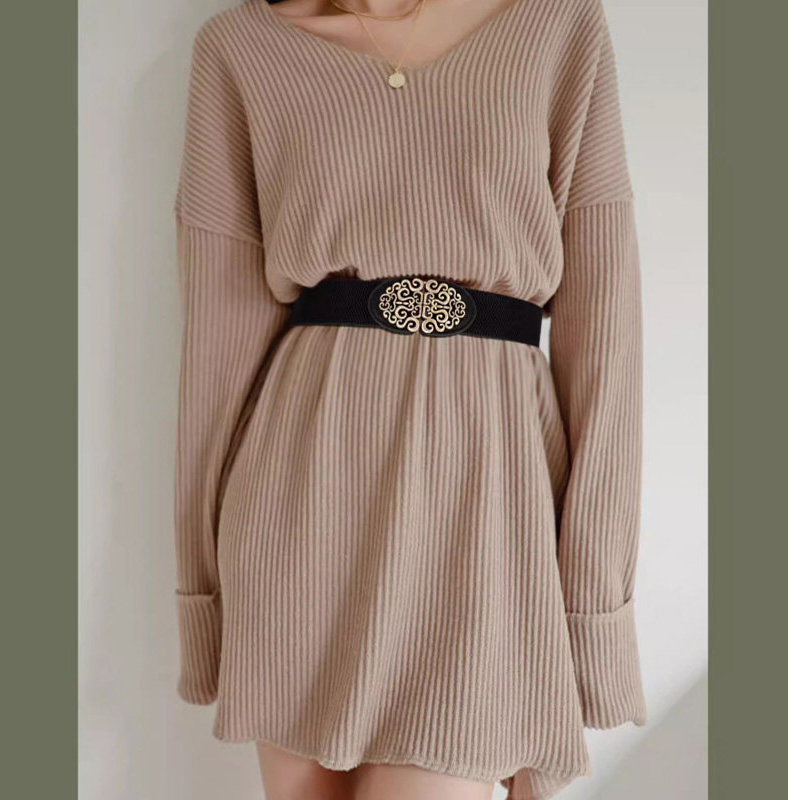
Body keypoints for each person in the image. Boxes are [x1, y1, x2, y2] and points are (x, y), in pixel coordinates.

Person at [172, 0, 647, 797]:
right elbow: (215, 344)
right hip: (304, 497)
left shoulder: (556, 25)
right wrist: (204, 590)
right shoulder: (241, 48)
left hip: (484, 500)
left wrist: (592, 602)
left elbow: (606, 335)